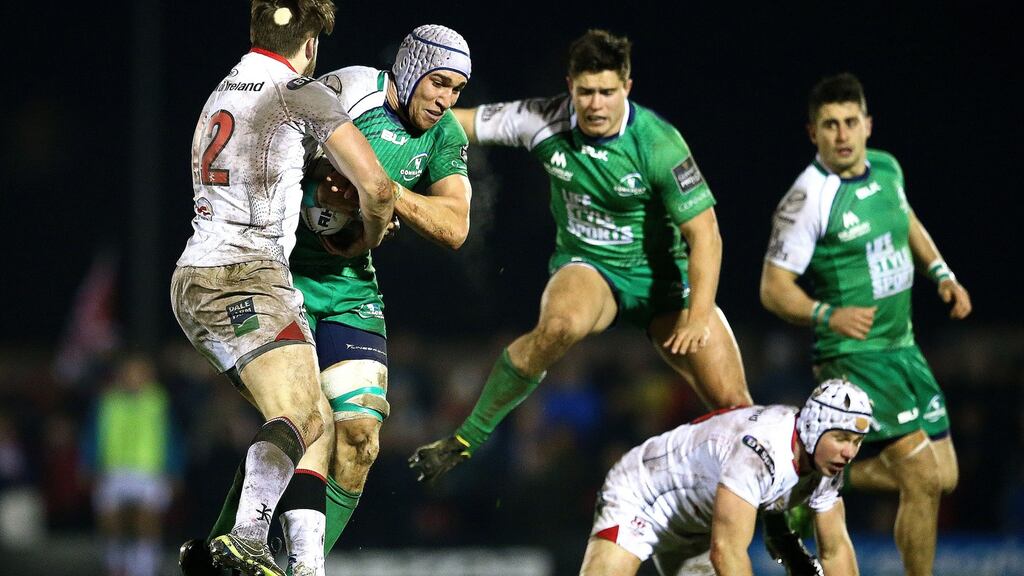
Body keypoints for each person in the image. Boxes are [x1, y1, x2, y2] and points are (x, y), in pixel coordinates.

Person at [179, 24, 472, 575]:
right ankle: (232, 547)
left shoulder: (445, 136)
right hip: (283, 274)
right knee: (298, 415)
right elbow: (279, 144)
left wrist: (381, 191)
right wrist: (327, 182)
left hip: (350, 287)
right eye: (438, 82)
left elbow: (455, 226)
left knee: (359, 438)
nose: (445, 99)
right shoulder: (349, 89)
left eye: (457, 89)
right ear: (411, 68)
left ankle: (290, 564)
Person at [409, 28, 752, 483]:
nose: (595, 104)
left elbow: (705, 234)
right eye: (586, 92)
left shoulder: (658, 144)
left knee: (738, 410)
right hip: (590, 267)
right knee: (559, 327)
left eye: (607, 92)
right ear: (570, 86)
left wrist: (699, 314)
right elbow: (461, 122)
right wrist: (394, 116)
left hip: (662, 281)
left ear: (626, 87)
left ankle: (785, 512)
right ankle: (467, 438)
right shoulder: (543, 118)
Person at [171, 0, 394, 574]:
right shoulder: (300, 92)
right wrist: (367, 236)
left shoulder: (224, 88)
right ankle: (245, 539)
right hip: (245, 277)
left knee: (311, 415)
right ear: (311, 44)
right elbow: (377, 188)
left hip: (198, 277)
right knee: (301, 410)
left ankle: (303, 565)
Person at [759, 72, 972, 576]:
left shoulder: (887, 168)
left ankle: (806, 484)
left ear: (868, 124)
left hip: (903, 347)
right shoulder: (808, 198)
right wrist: (827, 313)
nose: (842, 134)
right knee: (921, 477)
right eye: (830, 125)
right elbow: (773, 287)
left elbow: (906, 220)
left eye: (850, 122)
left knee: (945, 476)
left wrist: (941, 273)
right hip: (854, 356)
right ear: (813, 132)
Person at [579, 379, 869, 576]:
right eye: (841, 438)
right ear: (813, 428)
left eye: (856, 441)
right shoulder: (760, 452)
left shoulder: (825, 462)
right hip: (642, 496)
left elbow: (835, 552)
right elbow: (727, 551)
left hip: (699, 525)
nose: (849, 452)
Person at [82, 353, 183, 576]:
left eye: (140, 373)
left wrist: (175, 471)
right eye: (130, 372)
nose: (135, 377)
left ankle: (144, 569)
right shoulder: (107, 401)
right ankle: (116, 566)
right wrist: (88, 466)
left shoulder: (159, 401)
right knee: (111, 522)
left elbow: (172, 437)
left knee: (145, 520)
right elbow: (91, 434)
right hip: (112, 470)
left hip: (150, 471)